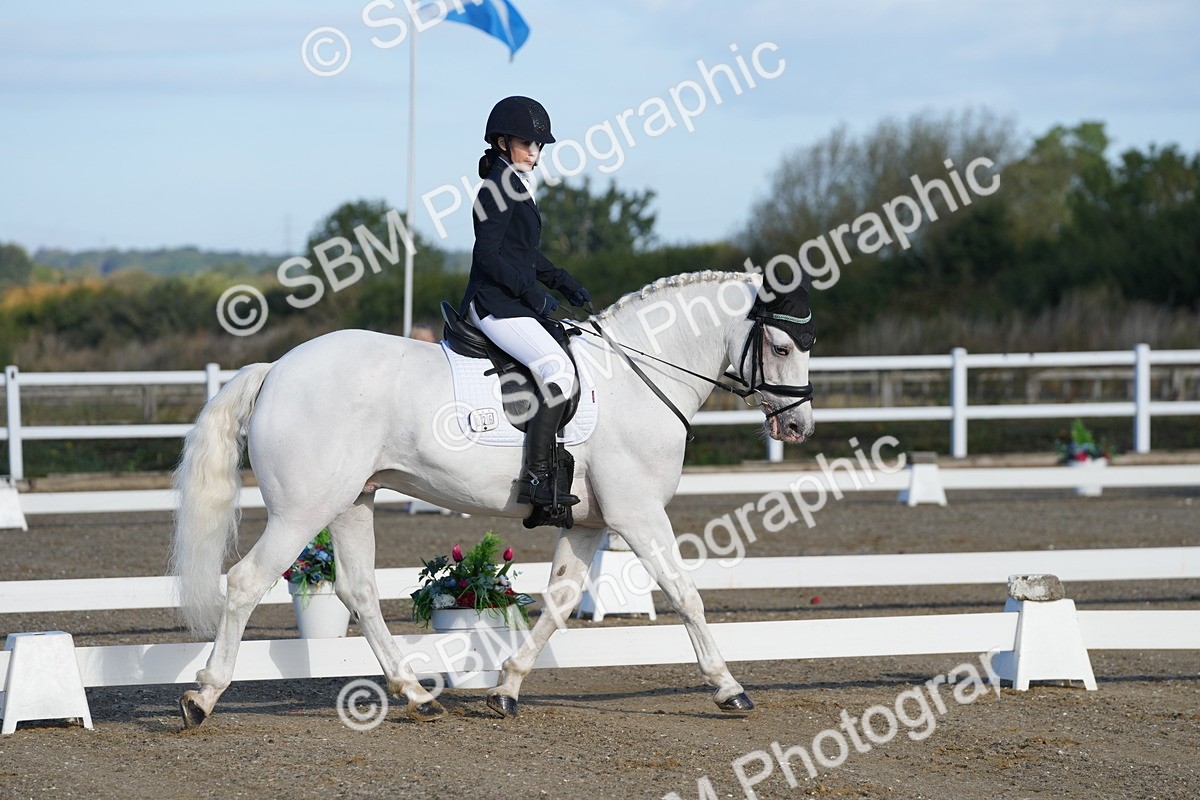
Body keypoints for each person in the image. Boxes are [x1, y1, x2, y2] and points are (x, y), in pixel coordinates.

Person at [457, 96, 591, 510]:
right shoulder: (495, 189)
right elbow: (489, 257)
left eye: (540, 146)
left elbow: (525, 254)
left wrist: (563, 283)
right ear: (501, 142)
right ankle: (535, 476)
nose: (536, 152)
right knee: (557, 371)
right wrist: (534, 293)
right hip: (495, 303)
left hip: (512, 300)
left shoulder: (514, 184)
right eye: (527, 143)